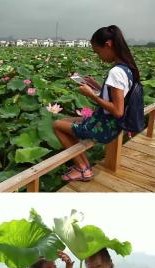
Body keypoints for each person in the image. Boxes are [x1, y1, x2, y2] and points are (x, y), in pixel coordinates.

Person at [52, 25, 141, 182]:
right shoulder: (127, 69)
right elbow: (117, 97)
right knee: (65, 122)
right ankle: (85, 167)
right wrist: (97, 87)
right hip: (110, 124)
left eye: (97, 51)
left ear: (108, 44)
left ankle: (82, 169)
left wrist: (91, 95)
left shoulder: (116, 72)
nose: (98, 56)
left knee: (57, 126)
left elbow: (118, 110)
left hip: (105, 126)